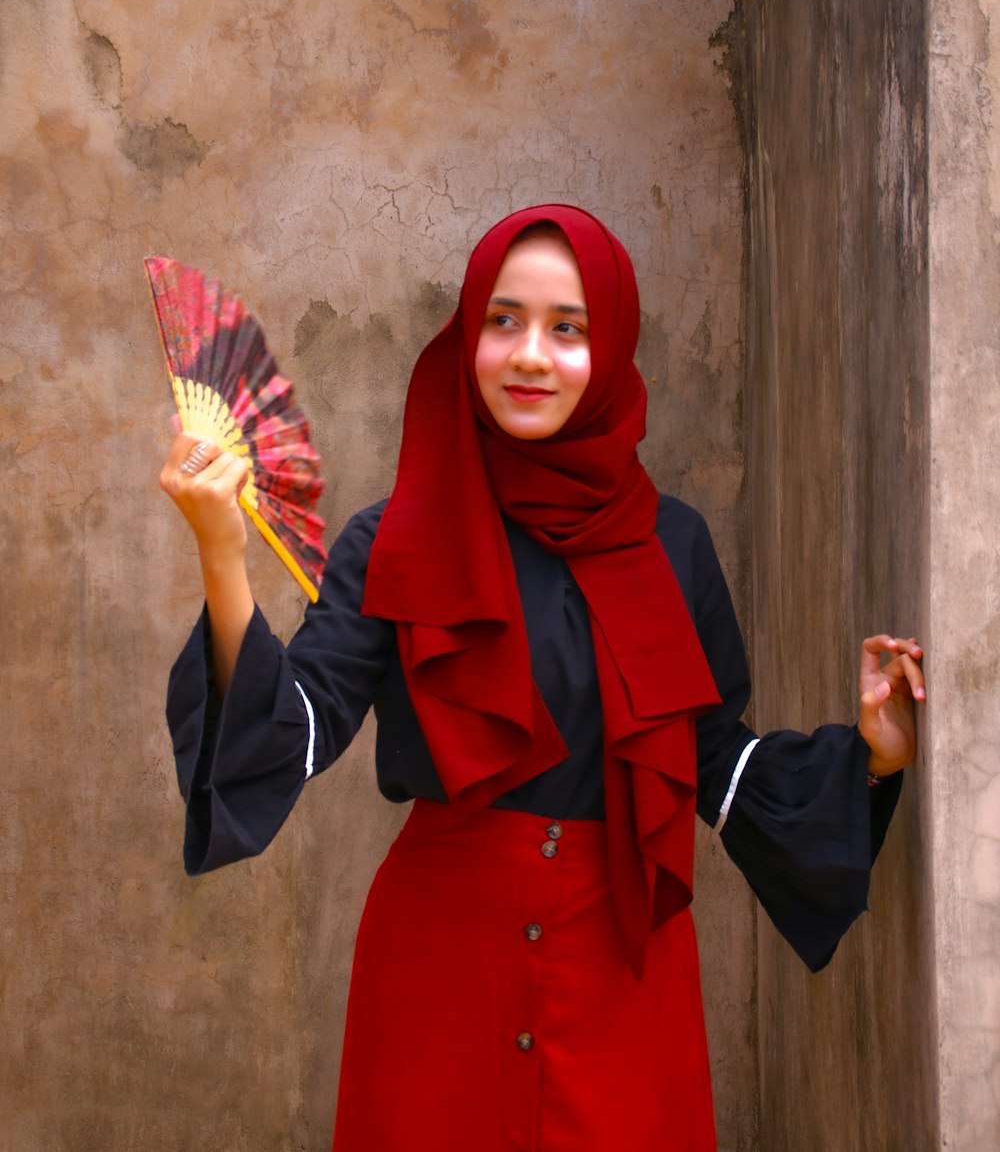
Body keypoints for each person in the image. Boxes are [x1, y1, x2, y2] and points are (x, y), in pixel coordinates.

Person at [160, 204, 925, 1152]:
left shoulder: (673, 544)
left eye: (569, 328)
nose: (530, 354)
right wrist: (222, 555)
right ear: (466, 334)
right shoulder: (391, 539)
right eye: (503, 320)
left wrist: (872, 763)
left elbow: (713, 763)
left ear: (610, 350)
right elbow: (292, 728)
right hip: (438, 976)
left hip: (622, 980)